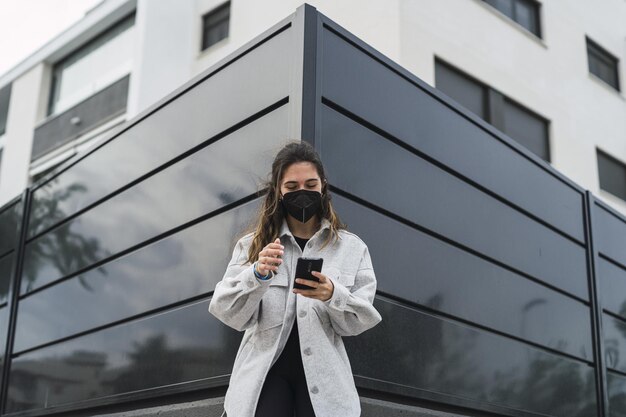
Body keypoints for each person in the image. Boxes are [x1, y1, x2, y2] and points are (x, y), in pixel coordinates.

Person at [208, 141, 382, 417]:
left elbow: (360, 321)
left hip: (325, 379)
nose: (302, 193)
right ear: (278, 190)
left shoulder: (351, 249)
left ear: (323, 186)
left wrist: (331, 294)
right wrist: (256, 275)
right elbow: (225, 311)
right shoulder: (253, 245)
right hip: (264, 373)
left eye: (310, 185)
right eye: (291, 187)